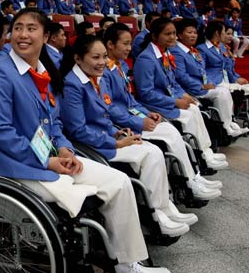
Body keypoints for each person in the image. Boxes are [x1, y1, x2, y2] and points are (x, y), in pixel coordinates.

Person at [0, 7, 170, 273]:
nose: (22, 34)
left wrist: (65, 149)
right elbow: (2, 133)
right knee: (77, 194)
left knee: (119, 181)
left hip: (53, 155)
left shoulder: (44, 72)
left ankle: (128, 263)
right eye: (18, 28)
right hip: (18, 163)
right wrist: (49, 161)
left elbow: (54, 122)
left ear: (45, 36)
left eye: (31, 28)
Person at [61, 34, 197, 237]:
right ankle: (156, 214)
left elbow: (103, 113)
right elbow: (78, 130)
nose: (102, 62)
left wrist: (117, 131)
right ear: (78, 59)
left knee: (153, 151)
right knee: (150, 154)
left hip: (109, 137)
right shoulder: (72, 84)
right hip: (94, 146)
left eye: (104, 57)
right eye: (96, 57)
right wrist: (116, 142)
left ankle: (164, 208)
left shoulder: (96, 78)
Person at [103, 22, 222, 200]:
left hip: (137, 113)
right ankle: (188, 180)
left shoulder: (121, 66)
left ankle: (195, 173)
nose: (129, 48)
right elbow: (136, 97)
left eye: (130, 43)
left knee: (182, 121)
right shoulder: (138, 61)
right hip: (127, 120)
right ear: (110, 45)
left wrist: (146, 114)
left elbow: (131, 100)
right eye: (125, 44)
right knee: (172, 132)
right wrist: (142, 119)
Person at [133, 17, 229, 171]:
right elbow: (146, 93)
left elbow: (173, 82)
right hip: (156, 104)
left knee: (195, 107)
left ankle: (206, 151)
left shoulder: (164, 53)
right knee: (190, 115)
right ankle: (198, 159)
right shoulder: (146, 59)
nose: (172, 37)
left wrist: (183, 95)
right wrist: (175, 102)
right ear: (155, 36)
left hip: (169, 98)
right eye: (167, 34)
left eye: (174, 33)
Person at [171, 18, 247, 137]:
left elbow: (203, 71)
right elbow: (181, 76)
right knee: (221, 93)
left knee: (224, 91)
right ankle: (225, 128)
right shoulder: (177, 52)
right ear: (180, 35)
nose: (193, 35)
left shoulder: (192, 50)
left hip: (203, 85)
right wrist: (201, 85)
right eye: (189, 32)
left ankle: (229, 124)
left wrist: (209, 82)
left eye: (195, 33)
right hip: (192, 89)